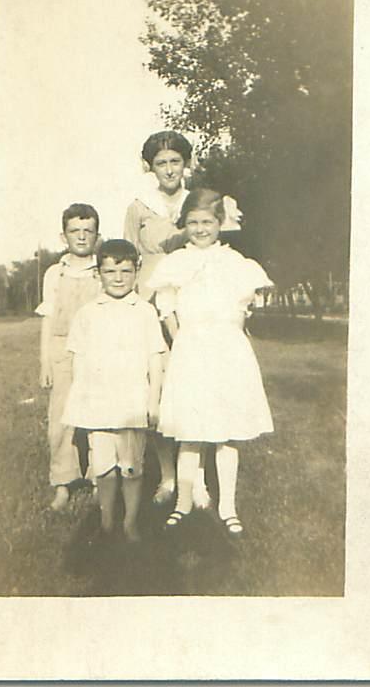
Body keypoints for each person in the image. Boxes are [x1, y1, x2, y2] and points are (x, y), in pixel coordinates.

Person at [148, 189, 274, 538]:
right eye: (193, 223)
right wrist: (181, 343)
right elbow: (168, 310)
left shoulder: (236, 264)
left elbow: (247, 309)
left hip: (227, 351)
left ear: (221, 223)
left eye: (207, 222)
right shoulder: (173, 264)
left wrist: (233, 332)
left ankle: (228, 506)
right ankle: (183, 503)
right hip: (191, 350)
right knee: (190, 432)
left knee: (227, 433)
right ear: (183, 225)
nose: (200, 229)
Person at [123, 131, 211, 508]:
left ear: (186, 163)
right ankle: (168, 477)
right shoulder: (139, 206)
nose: (169, 169)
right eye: (161, 163)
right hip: (151, 307)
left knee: (199, 389)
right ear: (150, 167)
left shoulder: (201, 203)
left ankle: (200, 478)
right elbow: (128, 257)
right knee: (156, 390)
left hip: (194, 306)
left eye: (176, 161)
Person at [61, 240, 166, 543]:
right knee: (104, 467)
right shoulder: (87, 313)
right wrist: (83, 401)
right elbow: (78, 360)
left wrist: (153, 400)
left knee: (132, 467)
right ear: (99, 273)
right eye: (110, 271)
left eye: (125, 270)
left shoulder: (145, 312)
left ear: (137, 271)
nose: (118, 278)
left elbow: (155, 359)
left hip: (133, 402)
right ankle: (107, 520)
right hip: (98, 403)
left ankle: (130, 523)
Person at [36, 203, 101, 511]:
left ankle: (101, 478)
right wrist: (45, 361)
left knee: (100, 414)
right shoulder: (54, 273)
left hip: (97, 351)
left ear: (97, 236)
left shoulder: (103, 270)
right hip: (62, 349)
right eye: (74, 231)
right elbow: (48, 318)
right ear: (64, 236)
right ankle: (62, 483)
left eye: (88, 231)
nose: (81, 236)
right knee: (61, 418)